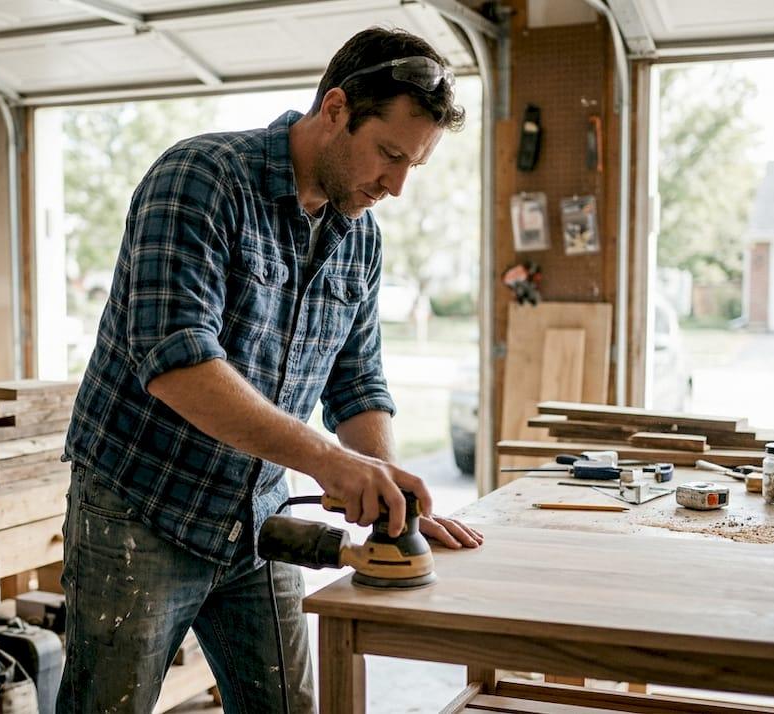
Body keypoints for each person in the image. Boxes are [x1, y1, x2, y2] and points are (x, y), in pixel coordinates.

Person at [59, 26, 484, 714]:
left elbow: (357, 381)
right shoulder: (201, 178)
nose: (398, 185)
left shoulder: (358, 236)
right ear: (337, 109)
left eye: (415, 165)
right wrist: (328, 462)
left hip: (258, 519)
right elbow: (176, 361)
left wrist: (384, 485)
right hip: (139, 511)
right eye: (389, 154)